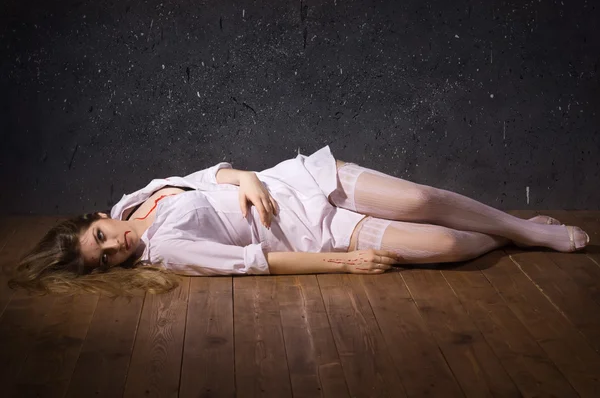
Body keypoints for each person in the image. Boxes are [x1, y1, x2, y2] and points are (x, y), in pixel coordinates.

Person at [7, 145, 590, 296]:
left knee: (415, 200)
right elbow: (256, 262)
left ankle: (528, 230)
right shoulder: (165, 253)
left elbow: (217, 173)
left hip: (301, 181)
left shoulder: (137, 197)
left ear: (98, 217)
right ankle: (514, 232)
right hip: (315, 231)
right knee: (441, 241)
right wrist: (343, 263)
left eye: (102, 238)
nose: (118, 246)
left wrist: (249, 179)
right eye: (106, 259)